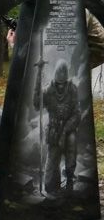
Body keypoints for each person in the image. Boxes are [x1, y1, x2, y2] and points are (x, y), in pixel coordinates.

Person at [34, 61, 79, 194]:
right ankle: (52, 186)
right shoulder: (48, 89)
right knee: (52, 163)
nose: (60, 86)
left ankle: (70, 179)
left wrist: (65, 130)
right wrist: (38, 75)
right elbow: (37, 103)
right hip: (54, 129)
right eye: (58, 84)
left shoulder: (72, 89)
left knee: (71, 152)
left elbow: (77, 113)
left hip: (69, 129)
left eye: (63, 84)